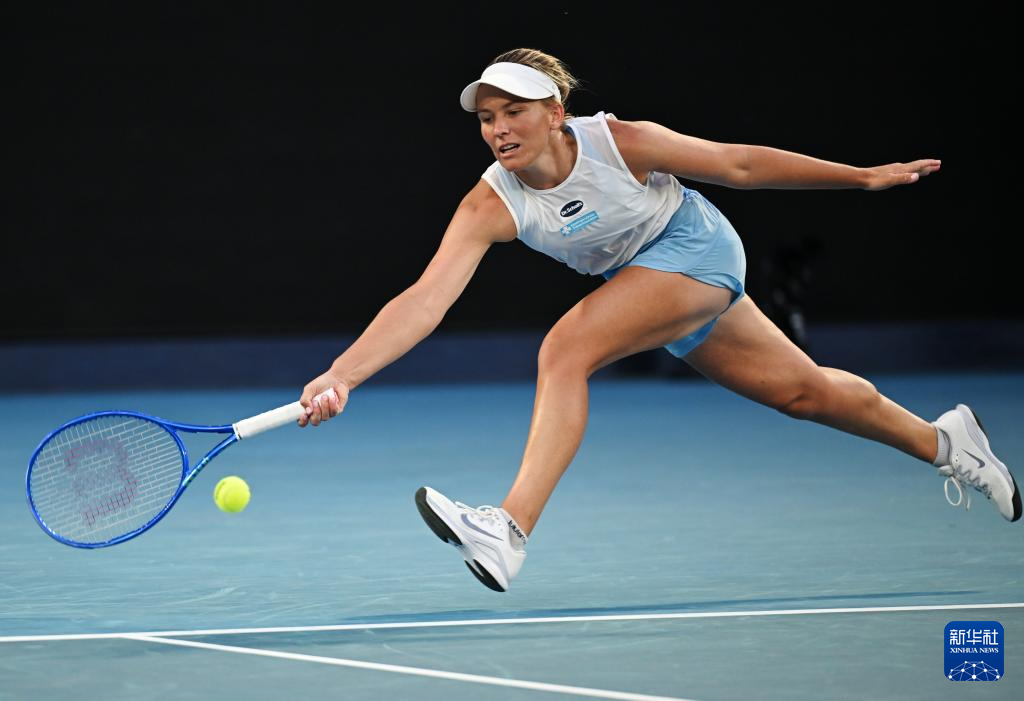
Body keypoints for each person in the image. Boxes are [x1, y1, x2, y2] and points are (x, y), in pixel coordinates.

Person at [298, 48, 1019, 592]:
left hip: (696, 249)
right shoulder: (490, 203)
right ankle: (947, 442)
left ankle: (508, 528)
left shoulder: (618, 142)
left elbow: (738, 165)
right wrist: (342, 374)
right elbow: (426, 299)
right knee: (805, 393)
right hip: (647, 288)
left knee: (564, 350)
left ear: (555, 112)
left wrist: (860, 177)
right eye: (487, 118)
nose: (498, 129)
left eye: (514, 111)